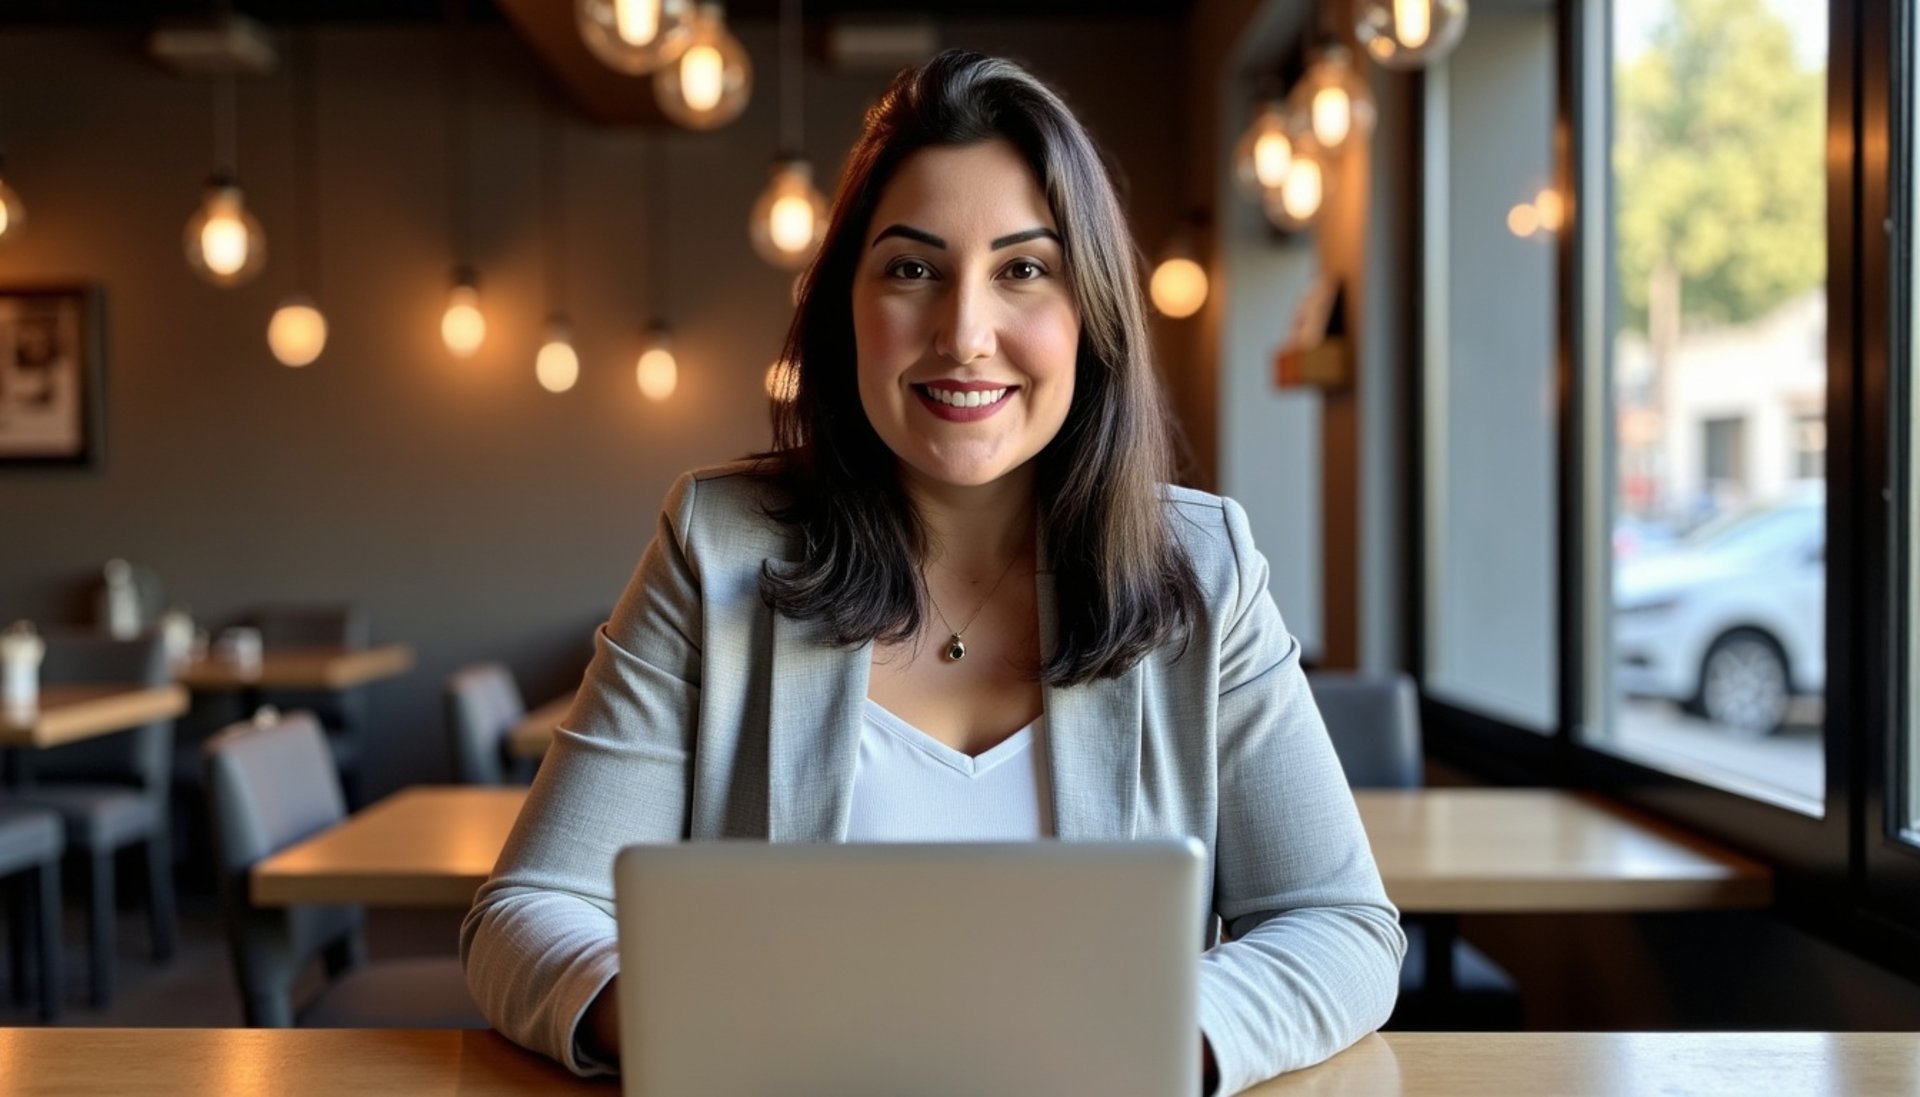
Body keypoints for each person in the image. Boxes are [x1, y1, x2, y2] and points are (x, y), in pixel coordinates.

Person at [461, 49, 1404, 1096]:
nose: (964, 333)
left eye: (1025, 269)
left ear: (1089, 314)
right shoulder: (716, 543)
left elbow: (1341, 924)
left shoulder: (1204, 564)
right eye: (912, 268)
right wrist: (702, 1029)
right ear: (845, 310)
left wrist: (1152, 1043)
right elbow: (525, 912)